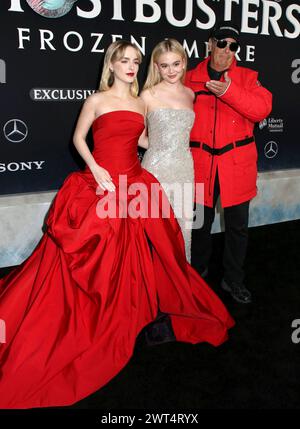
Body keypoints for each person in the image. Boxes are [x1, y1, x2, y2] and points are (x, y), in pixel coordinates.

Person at [0, 41, 234, 409]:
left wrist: (168, 148)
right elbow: (79, 138)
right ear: (111, 64)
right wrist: (95, 170)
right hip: (102, 183)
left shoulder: (142, 101)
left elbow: (142, 138)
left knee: (150, 246)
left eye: (136, 62)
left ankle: (140, 303)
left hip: (136, 179)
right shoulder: (96, 99)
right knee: (94, 252)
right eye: (124, 60)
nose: (130, 66)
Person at [185, 21, 273, 304]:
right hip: (201, 164)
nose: (226, 50)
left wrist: (227, 91)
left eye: (233, 46)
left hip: (236, 166)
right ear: (210, 44)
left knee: (237, 227)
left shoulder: (248, 77)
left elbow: (261, 109)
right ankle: (197, 274)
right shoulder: (189, 78)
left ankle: (233, 279)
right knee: (199, 226)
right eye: (221, 43)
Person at [139, 39, 195, 263]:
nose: (171, 70)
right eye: (164, 65)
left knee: (184, 228)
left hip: (184, 169)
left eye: (175, 64)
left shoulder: (191, 94)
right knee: (154, 230)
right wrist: (160, 149)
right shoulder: (147, 95)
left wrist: (174, 150)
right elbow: (136, 136)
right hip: (155, 170)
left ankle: (181, 284)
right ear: (156, 67)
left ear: (183, 63)